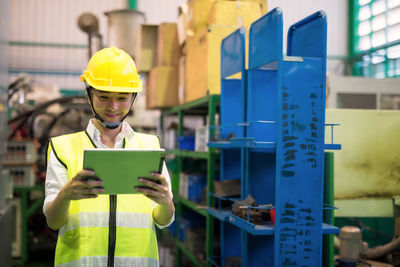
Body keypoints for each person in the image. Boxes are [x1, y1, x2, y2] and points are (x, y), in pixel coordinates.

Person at [43, 46, 175, 267]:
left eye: (122, 98)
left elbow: (164, 220)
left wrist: (166, 201)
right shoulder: (63, 148)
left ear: (133, 97)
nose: (113, 107)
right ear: (89, 94)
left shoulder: (149, 147)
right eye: (103, 97)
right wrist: (65, 195)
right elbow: (53, 222)